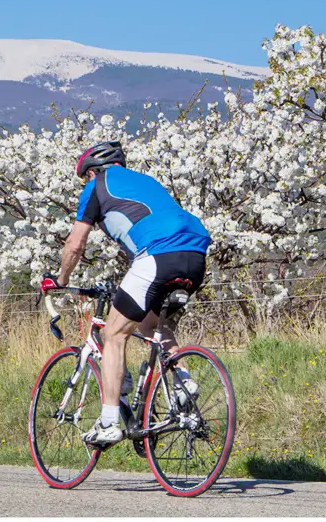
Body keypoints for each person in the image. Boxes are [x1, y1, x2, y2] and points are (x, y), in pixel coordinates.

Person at [53, 140, 211, 448]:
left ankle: (110, 422)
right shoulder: (146, 182)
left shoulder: (96, 185)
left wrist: (60, 279)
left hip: (157, 255)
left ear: (91, 171)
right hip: (195, 255)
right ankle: (183, 382)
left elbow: (75, 245)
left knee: (113, 335)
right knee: (151, 327)